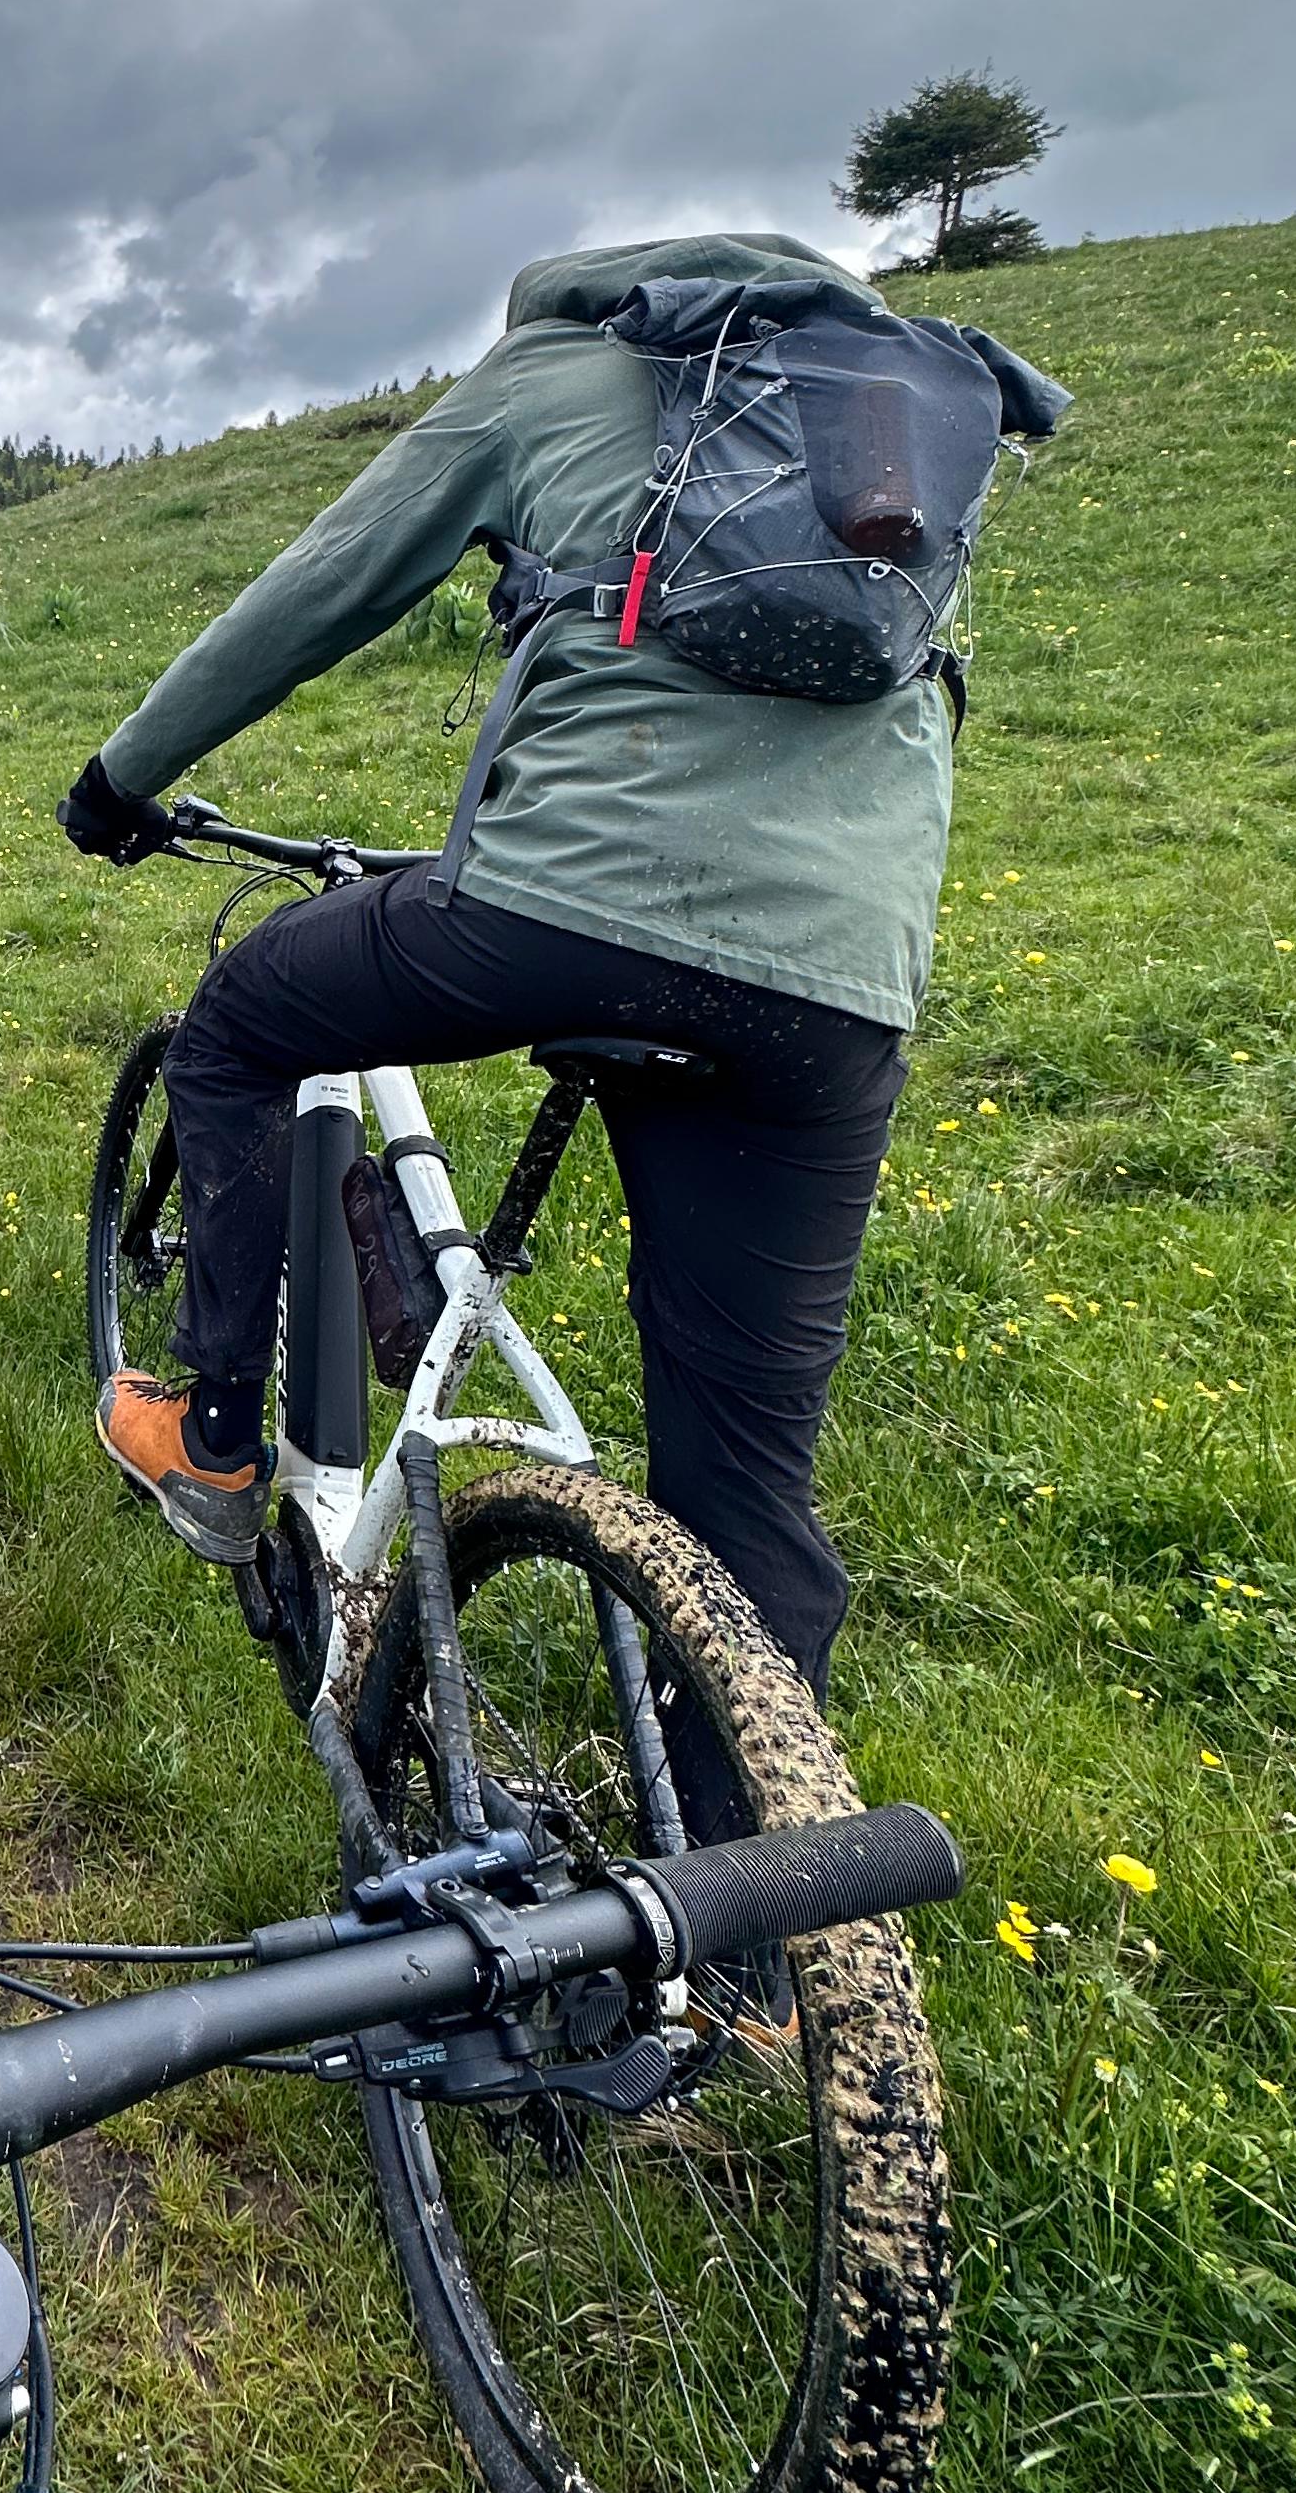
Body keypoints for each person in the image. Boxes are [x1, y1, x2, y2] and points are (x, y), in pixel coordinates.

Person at [59, 229, 1040, 1710]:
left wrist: (123, 779)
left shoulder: (555, 366)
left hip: (558, 902)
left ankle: (209, 1440)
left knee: (239, 1026)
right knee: (746, 1480)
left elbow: (325, 583)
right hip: (844, 976)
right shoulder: (884, 419)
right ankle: (752, 1907)